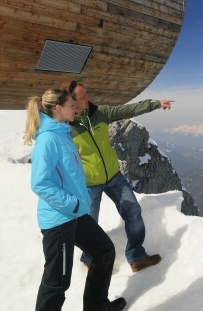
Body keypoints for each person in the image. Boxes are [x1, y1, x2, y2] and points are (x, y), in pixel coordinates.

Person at [25, 88, 126, 311]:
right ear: (58, 109)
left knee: (104, 251)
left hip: (76, 214)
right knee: (57, 282)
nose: (76, 108)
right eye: (72, 105)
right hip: (60, 219)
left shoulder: (63, 134)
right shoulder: (48, 140)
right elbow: (40, 183)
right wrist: (73, 203)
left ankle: (97, 306)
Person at [60, 80, 174, 273]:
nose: (89, 98)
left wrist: (154, 104)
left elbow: (127, 110)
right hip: (89, 184)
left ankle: (136, 256)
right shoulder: (65, 128)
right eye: (83, 96)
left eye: (87, 93)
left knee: (133, 212)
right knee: (89, 224)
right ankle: (89, 257)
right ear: (71, 101)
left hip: (113, 176)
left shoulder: (99, 113)